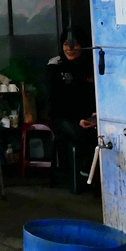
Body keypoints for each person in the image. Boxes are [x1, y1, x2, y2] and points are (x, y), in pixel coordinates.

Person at [47, 27, 98, 192]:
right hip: (63, 117)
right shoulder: (55, 65)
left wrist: (95, 115)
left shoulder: (93, 63)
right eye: (66, 44)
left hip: (89, 116)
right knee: (82, 135)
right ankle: (84, 174)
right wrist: (78, 120)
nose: (70, 49)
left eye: (74, 44)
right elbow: (56, 102)